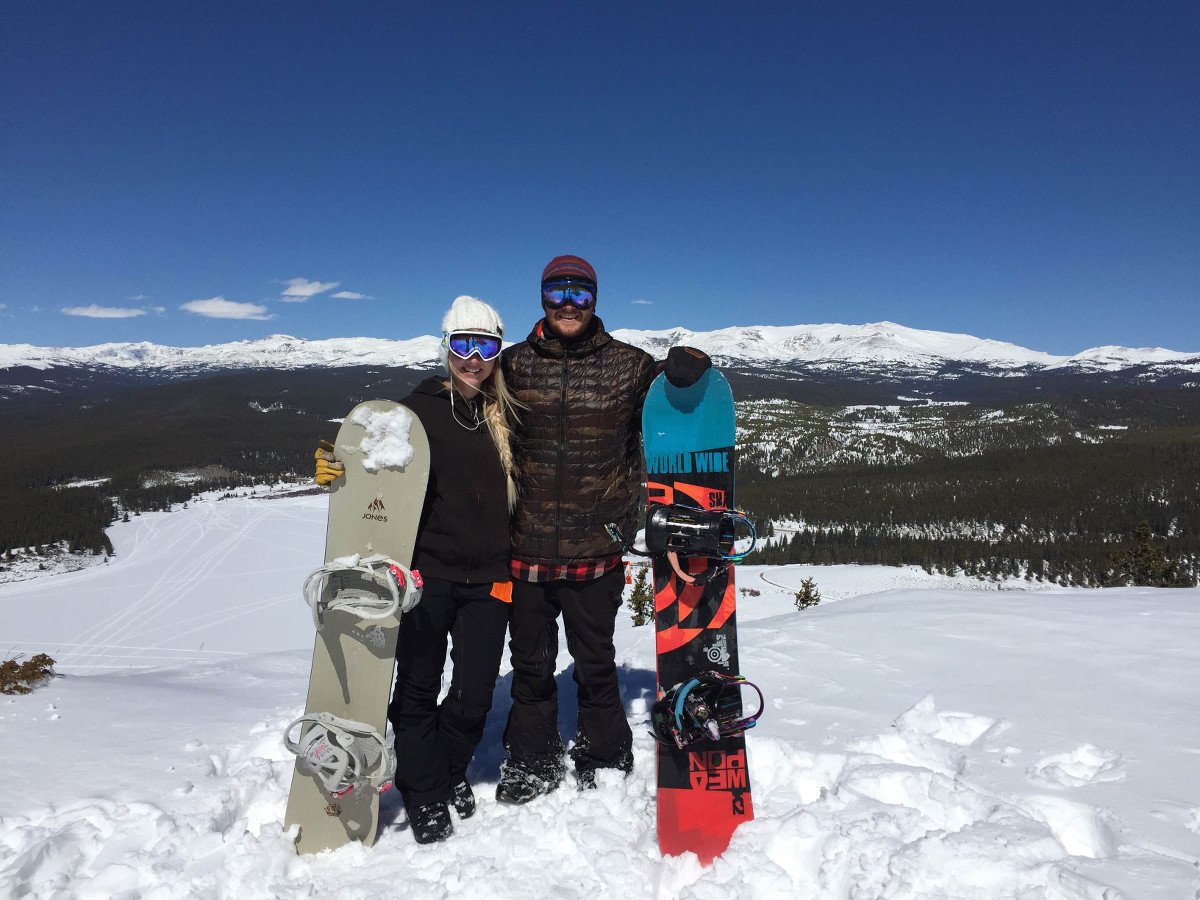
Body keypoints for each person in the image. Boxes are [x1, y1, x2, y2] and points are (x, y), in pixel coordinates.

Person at [495, 254, 710, 803]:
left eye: (580, 294)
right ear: (542, 298)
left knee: (595, 660)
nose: (568, 304)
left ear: (596, 299)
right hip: (525, 546)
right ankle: (533, 759)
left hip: (597, 548)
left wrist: (692, 361)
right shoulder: (512, 365)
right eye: (557, 292)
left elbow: (676, 396)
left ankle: (605, 752)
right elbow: (462, 403)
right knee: (531, 664)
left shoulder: (629, 366)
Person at [315, 295, 519, 843]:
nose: (473, 359)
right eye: (462, 345)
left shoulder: (511, 414)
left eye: (485, 346)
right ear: (445, 347)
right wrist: (339, 472)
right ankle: (424, 788)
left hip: (492, 578)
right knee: (418, 686)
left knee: (475, 692)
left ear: (499, 350)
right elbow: (372, 468)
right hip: (427, 574)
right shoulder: (416, 412)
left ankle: (447, 768)